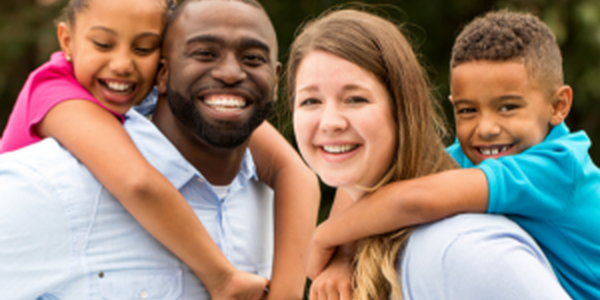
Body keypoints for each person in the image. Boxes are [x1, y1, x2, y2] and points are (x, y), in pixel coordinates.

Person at [0, 0, 319, 299]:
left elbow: (295, 172)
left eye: (143, 48)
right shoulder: (56, 95)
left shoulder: (199, 103)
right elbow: (137, 182)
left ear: (160, 67)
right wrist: (221, 277)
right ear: (66, 41)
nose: (123, 64)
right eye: (103, 44)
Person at [304, 9, 600, 300]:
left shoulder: (558, 168)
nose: (485, 128)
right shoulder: (476, 158)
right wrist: (343, 257)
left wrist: (327, 236)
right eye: (467, 110)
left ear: (558, 105)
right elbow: (373, 179)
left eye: (508, 107)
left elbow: (412, 201)